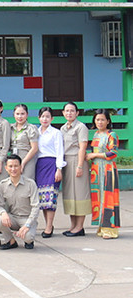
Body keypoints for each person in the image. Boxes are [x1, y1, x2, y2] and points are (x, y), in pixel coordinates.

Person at [88, 109, 120, 239]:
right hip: (96, 170)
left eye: (102, 119)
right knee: (98, 198)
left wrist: (95, 155)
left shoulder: (112, 135)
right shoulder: (95, 134)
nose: (100, 122)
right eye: (97, 119)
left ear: (108, 121)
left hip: (108, 169)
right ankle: (102, 226)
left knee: (108, 199)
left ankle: (110, 229)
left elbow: (113, 153)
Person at [0, 154, 39, 250]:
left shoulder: (30, 184)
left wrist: (27, 225)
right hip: (13, 218)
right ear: (6, 168)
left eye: (16, 166)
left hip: (27, 219)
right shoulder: (2, 185)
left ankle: (28, 240)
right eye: (10, 166)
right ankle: (11, 241)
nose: (13, 169)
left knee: (28, 237)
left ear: (20, 167)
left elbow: (36, 207)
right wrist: (3, 213)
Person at [60, 101, 91, 236]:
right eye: (67, 111)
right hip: (66, 161)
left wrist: (79, 165)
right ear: (63, 113)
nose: (69, 113)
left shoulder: (81, 127)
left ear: (77, 113)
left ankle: (79, 227)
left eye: (72, 111)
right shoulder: (63, 128)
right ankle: (72, 226)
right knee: (69, 194)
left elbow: (82, 147)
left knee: (79, 193)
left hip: (77, 160)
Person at [35, 107, 65, 238]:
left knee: (51, 197)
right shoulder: (36, 132)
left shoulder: (56, 133)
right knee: (43, 198)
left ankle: (49, 226)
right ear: (39, 118)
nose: (45, 119)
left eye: (47, 117)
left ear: (52, 118)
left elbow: (60, 151)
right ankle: (48, 224)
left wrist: (59, 168)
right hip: (39, 165)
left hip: (52, 165)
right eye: (42, 116)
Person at [5, 104, 39, 181]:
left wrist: (22, 163)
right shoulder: (10, 128)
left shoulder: (31, 128)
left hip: (26, 158)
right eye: (17, 114)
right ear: (14, 115)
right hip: (13, 158)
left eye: (22, 114)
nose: (20, 117)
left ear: (27, 115)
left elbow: (34, 148)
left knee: (26, 182)